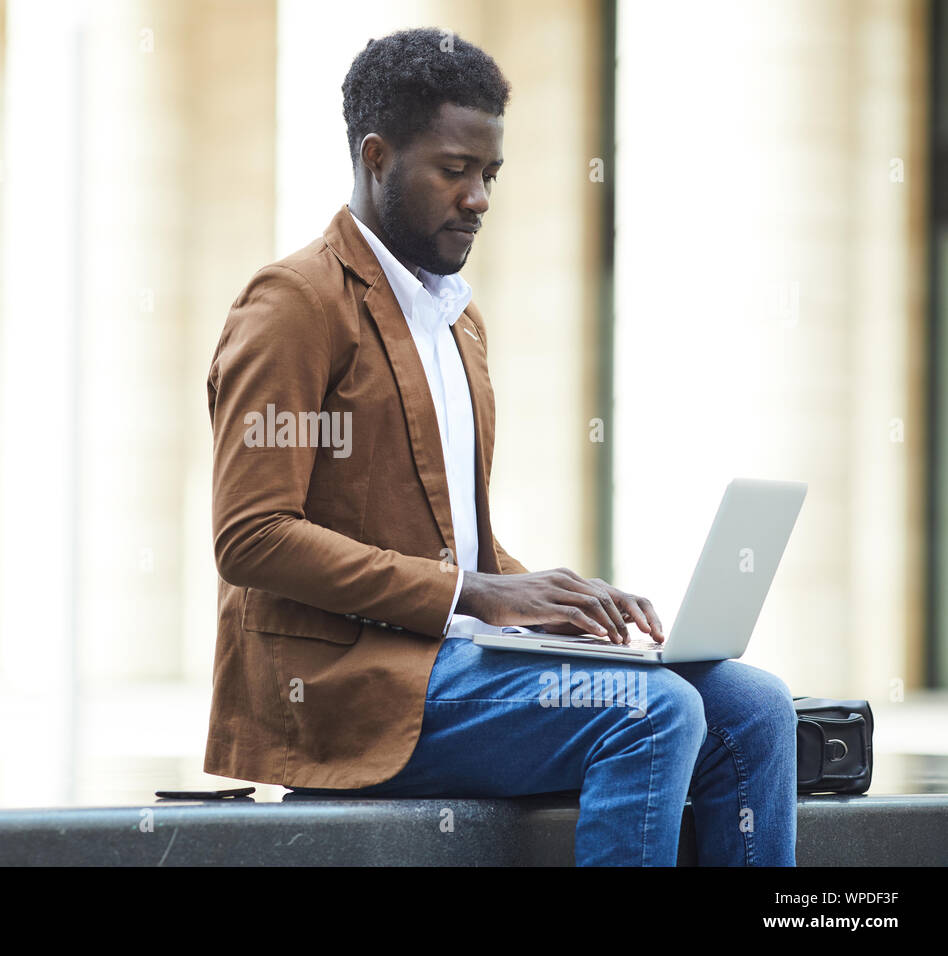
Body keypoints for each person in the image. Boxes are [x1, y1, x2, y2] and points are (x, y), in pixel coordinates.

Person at [204, 26, 797, 866]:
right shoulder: (294, 305)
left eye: (490, 175)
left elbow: (455, 551)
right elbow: (252, 537)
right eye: (454, 170)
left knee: (756, 707)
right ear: (377, 158)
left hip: (449, 667)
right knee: (650, 712)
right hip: (346, 692)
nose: (479, 196)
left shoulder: (457, 322)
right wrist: (479, 594)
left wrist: (555, 603)